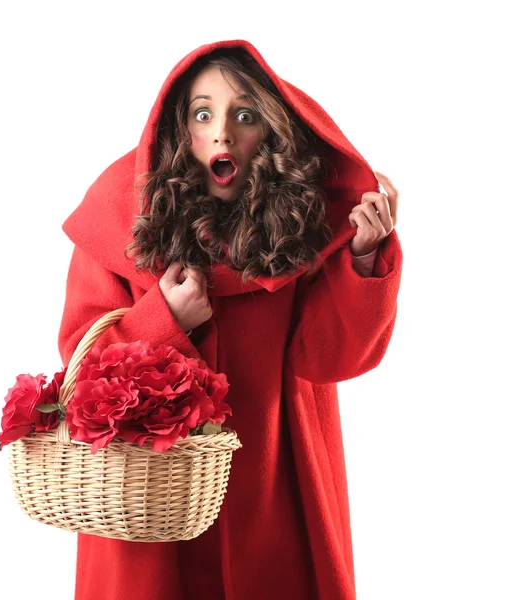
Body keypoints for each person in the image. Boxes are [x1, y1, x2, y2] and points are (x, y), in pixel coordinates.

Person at [58, 39, 402, 600]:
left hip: (274, 491)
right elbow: (82, 370)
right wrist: (162, 319)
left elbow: (333, 358)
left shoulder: (303, 227)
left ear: (269, 130)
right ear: (177, 128)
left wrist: (362, 255)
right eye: (202, 113)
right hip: (148, 498)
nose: (221, 132)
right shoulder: (116, 214)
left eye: (244, 115)